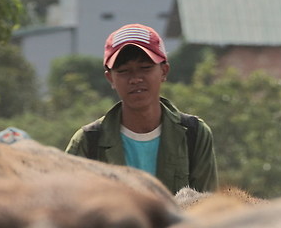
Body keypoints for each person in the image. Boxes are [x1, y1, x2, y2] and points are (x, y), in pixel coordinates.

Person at [66, 23, 218, 194]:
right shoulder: (88, 141)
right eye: (123, 71)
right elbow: (69, 209)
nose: (135, 79)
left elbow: (207, 210)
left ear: (164, 71)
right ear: (110, 79)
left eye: (145, 68)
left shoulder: (194, 134)